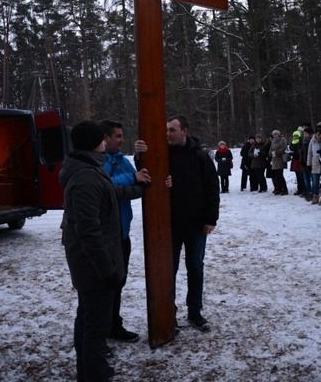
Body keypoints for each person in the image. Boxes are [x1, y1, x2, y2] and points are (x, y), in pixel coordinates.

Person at [59, 121, 146, 382]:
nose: (108, 142)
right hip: (93, 265)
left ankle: (88, 371)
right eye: (104, 138)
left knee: (87, 317)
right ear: (97, 142)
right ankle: (95, 375)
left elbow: (111, 192)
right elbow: (89, 231)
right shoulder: (86, 176)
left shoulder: (89, 169)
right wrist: (106, 270)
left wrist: (142, 189)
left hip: (95, 261)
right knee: (94, 326)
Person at [135, 115, 219, 332]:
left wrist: (211, 219)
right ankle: (167, 313)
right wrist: (139, 153)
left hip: (196, 224)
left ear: (185, 131)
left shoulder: (200, 156)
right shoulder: (161, 153)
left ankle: (195, 312)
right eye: (166, 130)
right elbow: (144, 169)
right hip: (169, 225)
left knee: (195, 268)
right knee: (167, 270)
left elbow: (212, 187)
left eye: (172, 130)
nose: (168, 134)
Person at [99, 119, 151, 343]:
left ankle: (113, 326)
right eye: (118, 136)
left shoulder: (122, 161)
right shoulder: (97, 162)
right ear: (105, 139)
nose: (122, 140)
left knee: (118, 282)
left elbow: (140, 185)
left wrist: (136, 173)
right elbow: (103, 187)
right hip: (103, 237)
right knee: (102, 288)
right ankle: (98, 335)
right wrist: (130, 180)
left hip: (122, 234)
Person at [307, 123, 321, 205]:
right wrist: (309, 163)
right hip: (315, 163)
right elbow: (309, 152)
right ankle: (315, 196)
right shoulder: (313, 139)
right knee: (315, 181)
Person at [269, 129, 288, 195]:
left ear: (278, 134)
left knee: (280, 175)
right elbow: (271, 149)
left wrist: (277, 152)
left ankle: (284, 189)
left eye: (276, 134)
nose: (275, 136)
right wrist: (271, 153)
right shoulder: (273, 141)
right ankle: (278, 188)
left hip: (280, 159)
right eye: (274, 135)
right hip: (274, 160)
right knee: (276, 175)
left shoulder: (282, 140)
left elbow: (284, 148)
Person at [289, 130, 305, 195]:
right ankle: (299, 189)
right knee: (297, 176)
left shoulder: (300, 143)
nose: (295, 137)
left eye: (296, 136)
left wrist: (293, 154)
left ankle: (302, 189)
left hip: (299, 160)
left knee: (300, 176)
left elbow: (299, 153)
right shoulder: (292, 143)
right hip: (294, 160)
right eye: (294, 136)